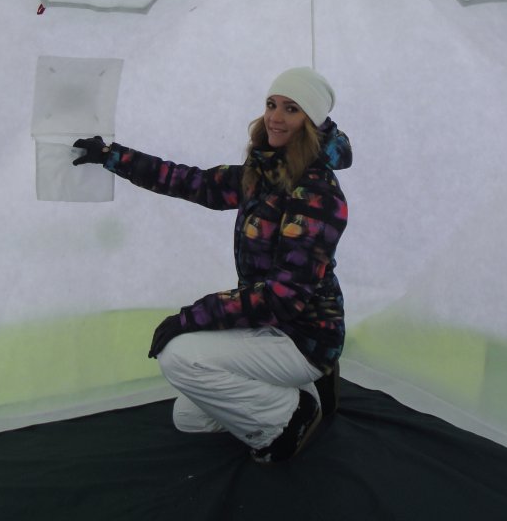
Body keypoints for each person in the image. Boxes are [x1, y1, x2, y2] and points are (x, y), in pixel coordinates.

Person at [72, 67, 351, 463]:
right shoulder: (267, 172)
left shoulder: (316, 195)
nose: (275, 117)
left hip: (305, 337)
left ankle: (292, 419)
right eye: (271, 104)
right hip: (271, 325)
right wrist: (111, 156)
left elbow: (282, 298)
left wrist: (192, 317)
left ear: (311, 122)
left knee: (179, 357)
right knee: (189, 417)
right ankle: (308, 392)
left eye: (291, 109)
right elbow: (192, 182)